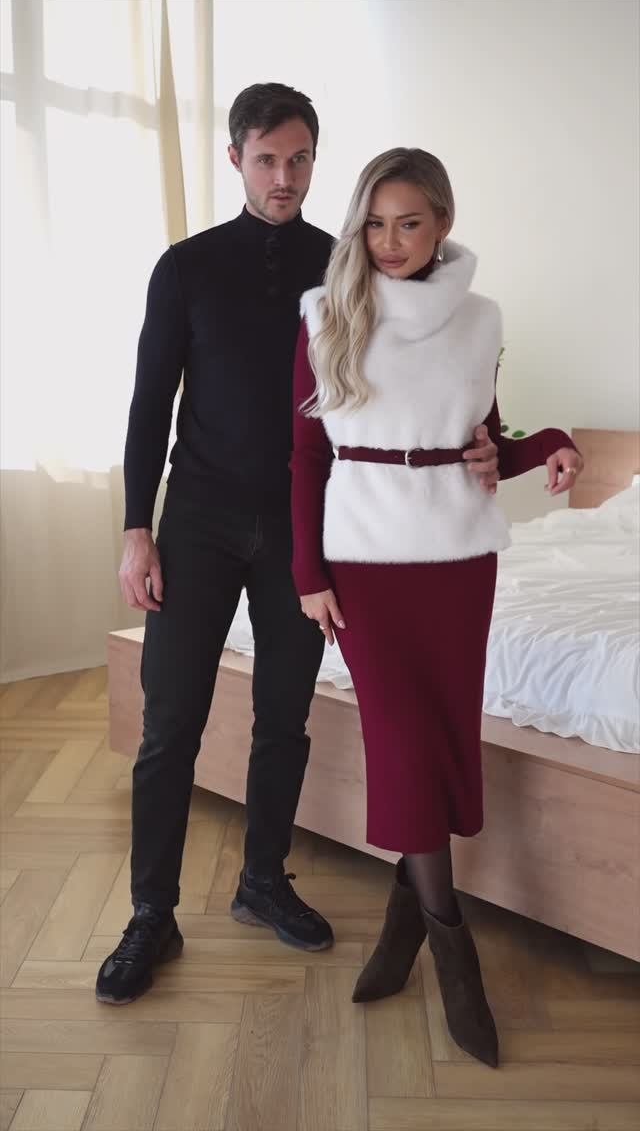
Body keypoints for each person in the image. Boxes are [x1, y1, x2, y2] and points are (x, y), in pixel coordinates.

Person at [96, 84, 499, 1006]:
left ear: (317, 160)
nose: (285, 176)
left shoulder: (349, 267)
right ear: (235, 159)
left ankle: (262, 880)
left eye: (301, 158)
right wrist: (136, 529)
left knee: (285, 716)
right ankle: (151, 913)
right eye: (268, 159)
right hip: (198, 521)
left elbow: (430, 382)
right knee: (170, 725)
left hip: (305, 526)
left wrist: (491, 442)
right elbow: (149, 404)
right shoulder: (187, 267)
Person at [290, 147, 583, 1068]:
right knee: (405, 744)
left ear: (443, 223)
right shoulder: (327, 311)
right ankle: (455, 950)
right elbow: (306, 456)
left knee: (444, 741)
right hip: (365, 563)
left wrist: (551, 442)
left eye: (408, 222)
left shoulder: (480, 319)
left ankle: (402, 926)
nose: (388, 241)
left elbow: (485, 442)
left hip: (458, 560)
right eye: (374, 223)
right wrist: (308, 572)